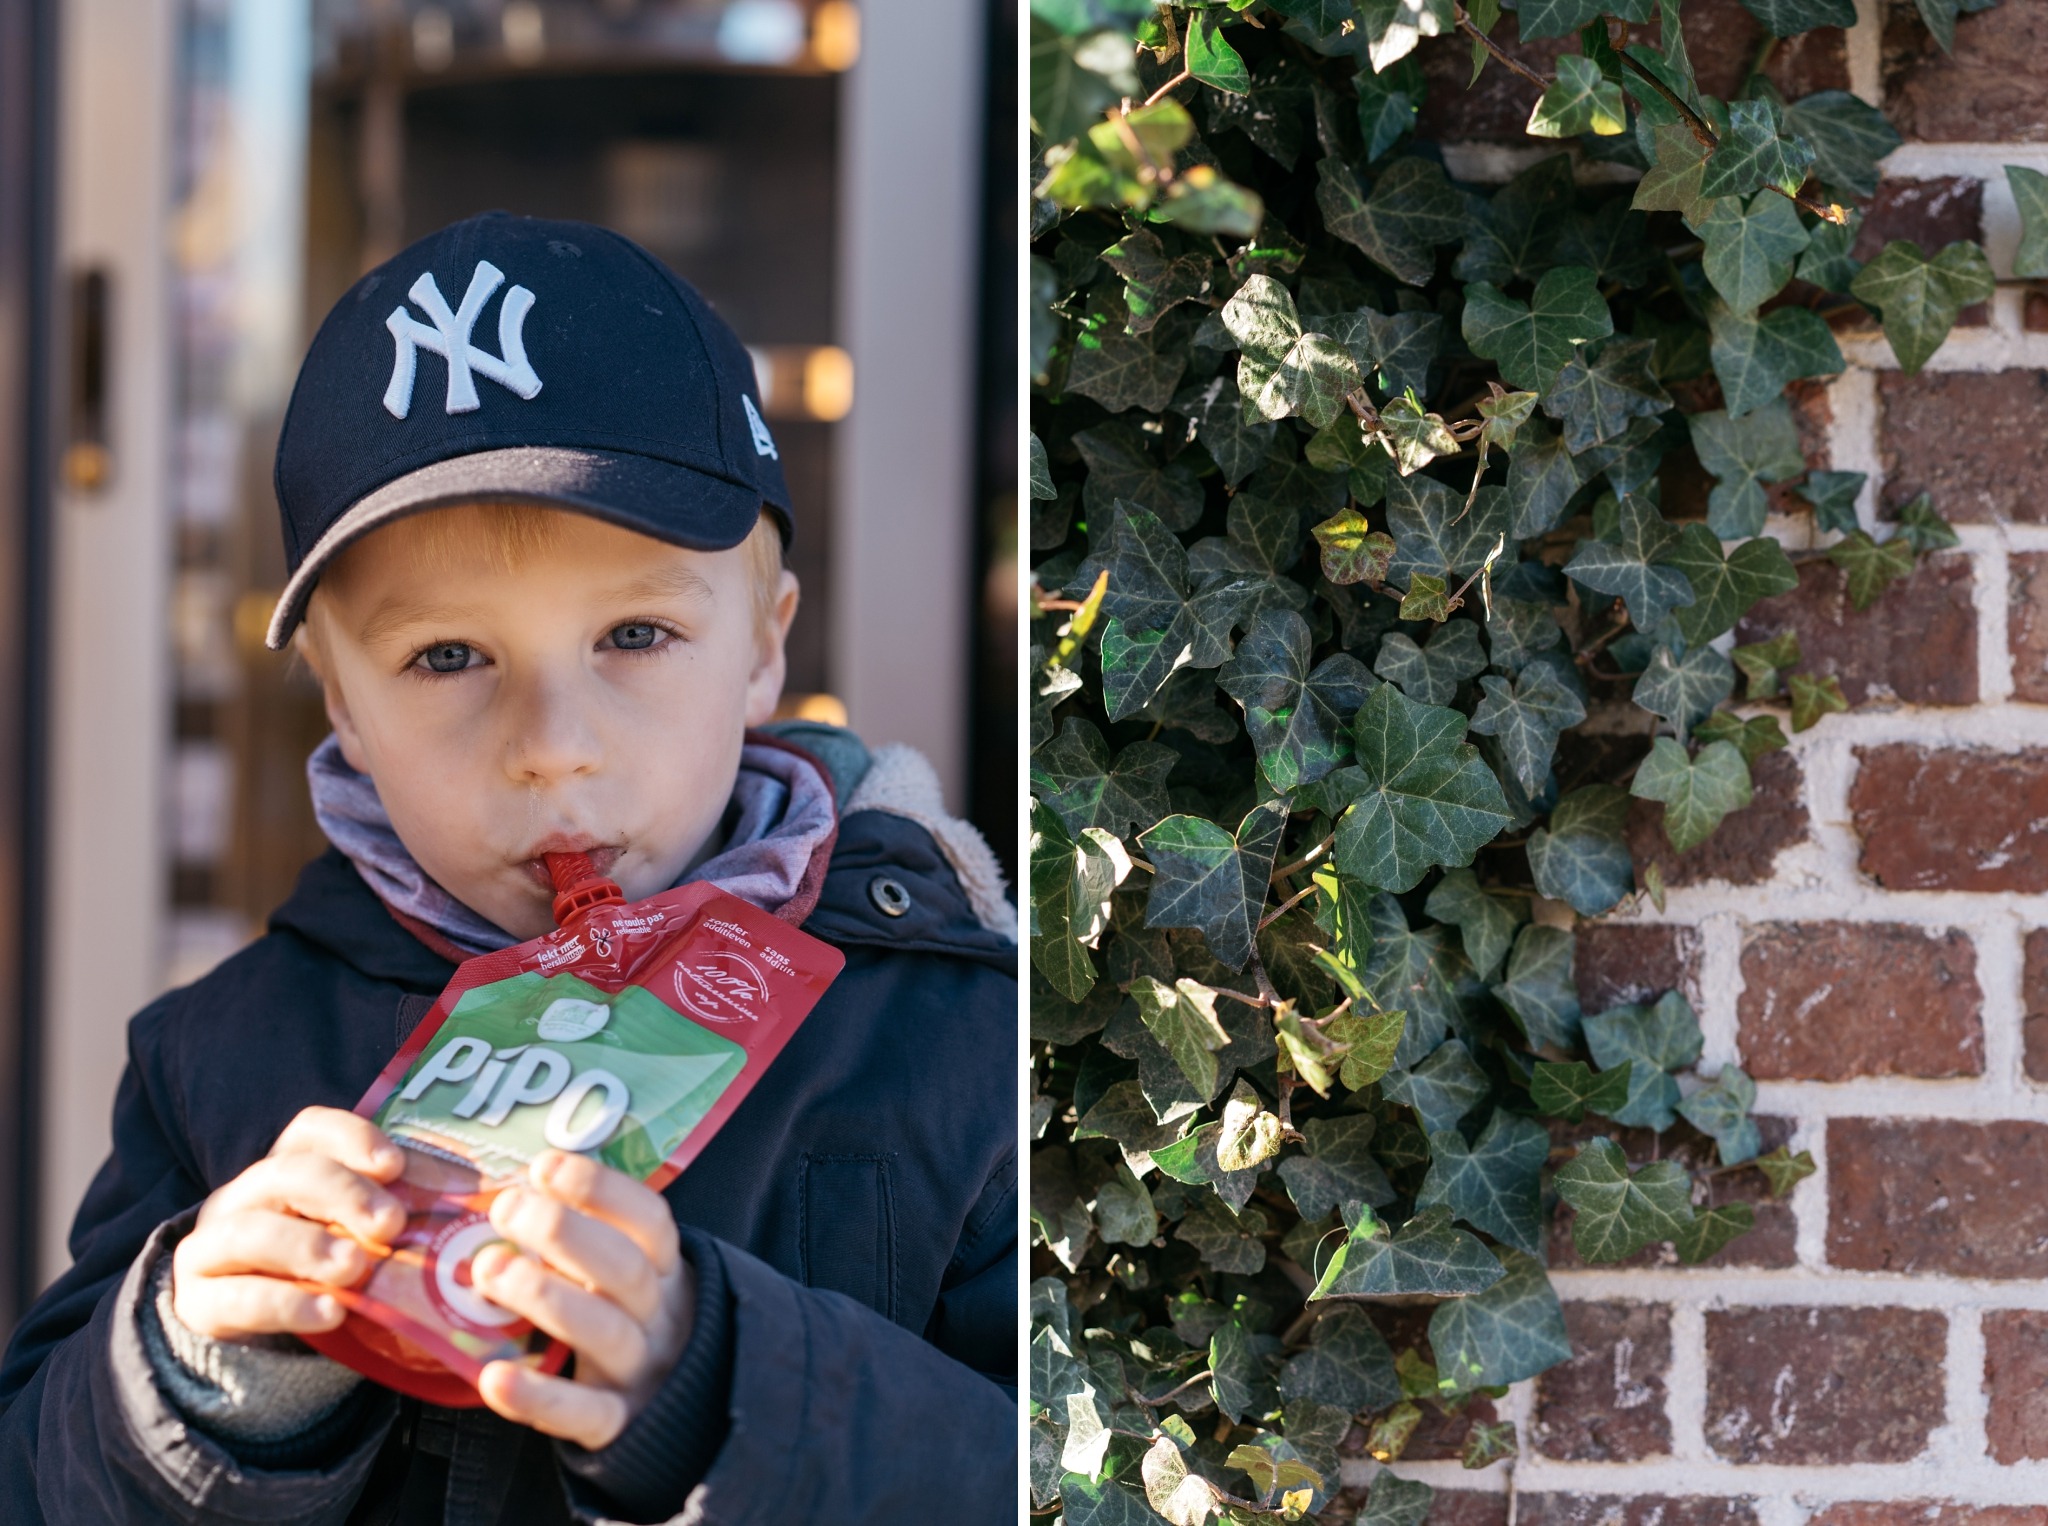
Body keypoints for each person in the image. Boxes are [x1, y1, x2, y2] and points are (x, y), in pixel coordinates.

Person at [0, 212, 1018, 1524]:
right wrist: (188, 1373)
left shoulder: (952, 1035)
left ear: (765, 647)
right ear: (343, 708)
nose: (552, 747)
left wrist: (719, 1380)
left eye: (635, 633)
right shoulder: (218, 1059)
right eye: (446, 657)